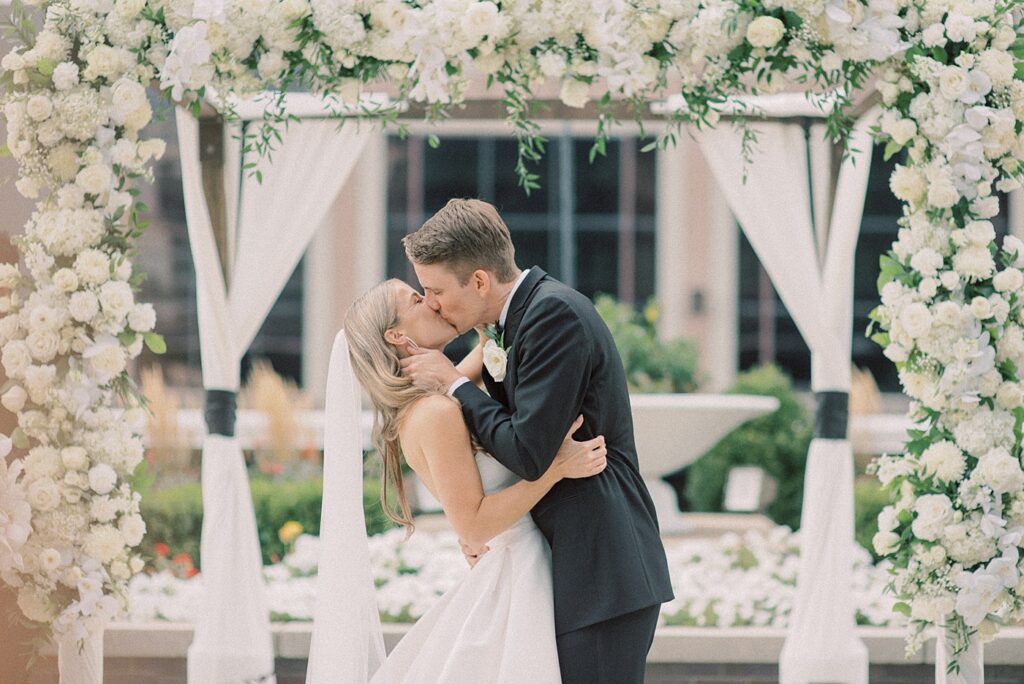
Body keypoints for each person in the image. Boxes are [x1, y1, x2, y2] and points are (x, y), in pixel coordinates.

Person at [400, 198, 674, 683]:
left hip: (600, 573)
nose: (433, 302)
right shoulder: (510, 325)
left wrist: (455, 384)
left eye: (436, 289)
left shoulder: (553, 317)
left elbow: (529, 452)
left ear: (480, 281)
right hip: (569, 571)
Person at [307, 278, 607, 683]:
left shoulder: (427, 396)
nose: (431, 302)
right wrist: (555, 468)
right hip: (516, 573)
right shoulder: (434, 412)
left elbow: (475, 363)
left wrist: (483, 311)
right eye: (417, 299)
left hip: (516, 561)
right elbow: (474, 524)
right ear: (396, 335)